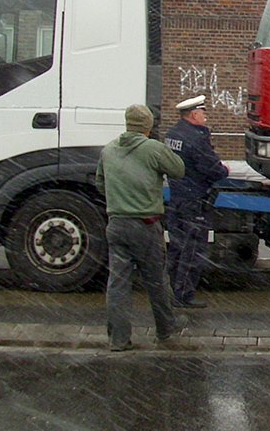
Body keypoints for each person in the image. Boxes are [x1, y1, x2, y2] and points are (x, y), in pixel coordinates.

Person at [95, 104, 187, 352]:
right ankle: (165, 330)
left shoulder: (109, 150)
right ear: (148, 126)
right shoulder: (153, 149)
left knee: (117, 284)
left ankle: (118, 339)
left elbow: (100, 184)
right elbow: (178, 169)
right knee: (156, 280)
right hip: (145, 225)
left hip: (116, 224)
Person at [165, 95, 229, 309]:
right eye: (203, 112)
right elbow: (212, 169)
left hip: (177, 198)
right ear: (193, 115)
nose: (205, 116)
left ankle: (169, 291)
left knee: (176, 247)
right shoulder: (196, 138)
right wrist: (224, 170)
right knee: (193, 250)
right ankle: (183, 296)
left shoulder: (172, 134)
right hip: (194, 201)